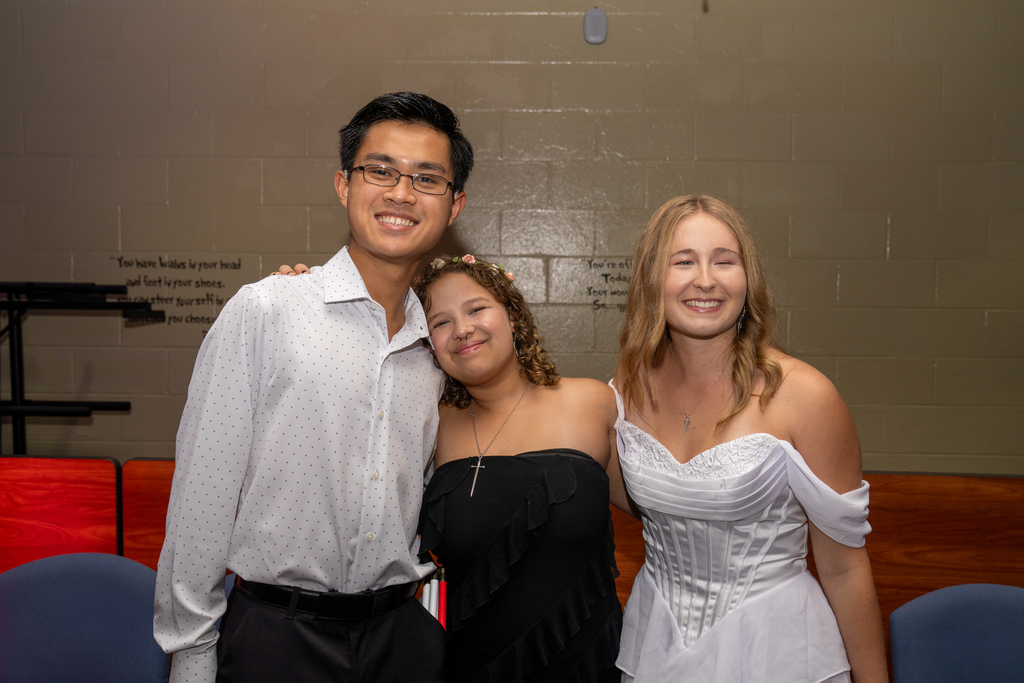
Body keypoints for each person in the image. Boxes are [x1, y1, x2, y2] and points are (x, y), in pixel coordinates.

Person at [154, 92, 472, 683]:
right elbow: (202, 496)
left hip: (400, 641)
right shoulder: (267, 311)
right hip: (277, 637)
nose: (401, 193)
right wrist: (192, 655)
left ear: (454, 206)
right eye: (380, 170)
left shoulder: (441, 349)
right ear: (343, 185)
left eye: (427, 179)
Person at [611, 195, 888, 682]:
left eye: (724, 261)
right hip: (656, 643)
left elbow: (844, 568)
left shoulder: (804, 394)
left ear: (748, 279)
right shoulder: (628, 387)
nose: (705, 279)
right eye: (683, 262)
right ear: (652, 279)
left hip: (775, 649)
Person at [414, 255, 626, 682]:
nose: (462, 329)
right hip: (469, 667)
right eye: (440, 322)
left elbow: (661, 510)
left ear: (512, 314)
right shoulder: (428, 426)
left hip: (586, 664)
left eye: (476, 309)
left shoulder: (595, 404)